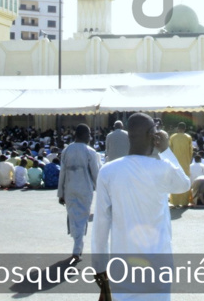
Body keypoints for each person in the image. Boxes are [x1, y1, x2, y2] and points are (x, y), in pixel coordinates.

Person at [91, 113, 192, 300]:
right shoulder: (161, 168)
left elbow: (101, 224)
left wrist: (99, 267)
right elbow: (184, 184)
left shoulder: (108, 171)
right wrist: (166, 150)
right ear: (151, 135)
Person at [58, 124, 100, 262]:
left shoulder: (66, 150)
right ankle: (77, 249)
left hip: (69, 188)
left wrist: (60, 193)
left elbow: (62, 173)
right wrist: (102, 192)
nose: (90, 137)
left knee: (73, 216)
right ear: (84, 135)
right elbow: (96, 174)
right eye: (89, 135)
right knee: (82, 217)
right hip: (85, 190)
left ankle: (77, 245)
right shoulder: (90, 152)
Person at [169, 122, 193, 206]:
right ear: (185, 129)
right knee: (185, 181)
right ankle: (184, 202)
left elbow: (170, 150)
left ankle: (175, 203)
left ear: (177, 128)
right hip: (185, 164)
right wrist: (189, 160)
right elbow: (191, 151)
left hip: (174, 163)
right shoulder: (188, 137)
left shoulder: (173, 137)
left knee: (175, 181)